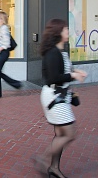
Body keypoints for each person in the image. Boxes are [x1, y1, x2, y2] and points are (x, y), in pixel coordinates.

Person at [38, 18, 87, 178]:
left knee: (60, 134)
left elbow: (64, 72)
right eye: (66, 29)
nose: (68, 32)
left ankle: (54, 168)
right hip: (54, 97)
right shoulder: (53, 53)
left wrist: (76, 72)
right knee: (69, 133)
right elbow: (54, 77)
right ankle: (43, 159)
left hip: (61, 97)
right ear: (58, 32)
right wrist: (73, 75)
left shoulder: (61, 52)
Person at [0, 11, 21, 99]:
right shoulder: (0, 28)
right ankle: (15, 83)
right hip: (2, 53)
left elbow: (6, 42)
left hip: (4, 53)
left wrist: (0, 48)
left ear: (1, 19)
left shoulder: (4, 28)